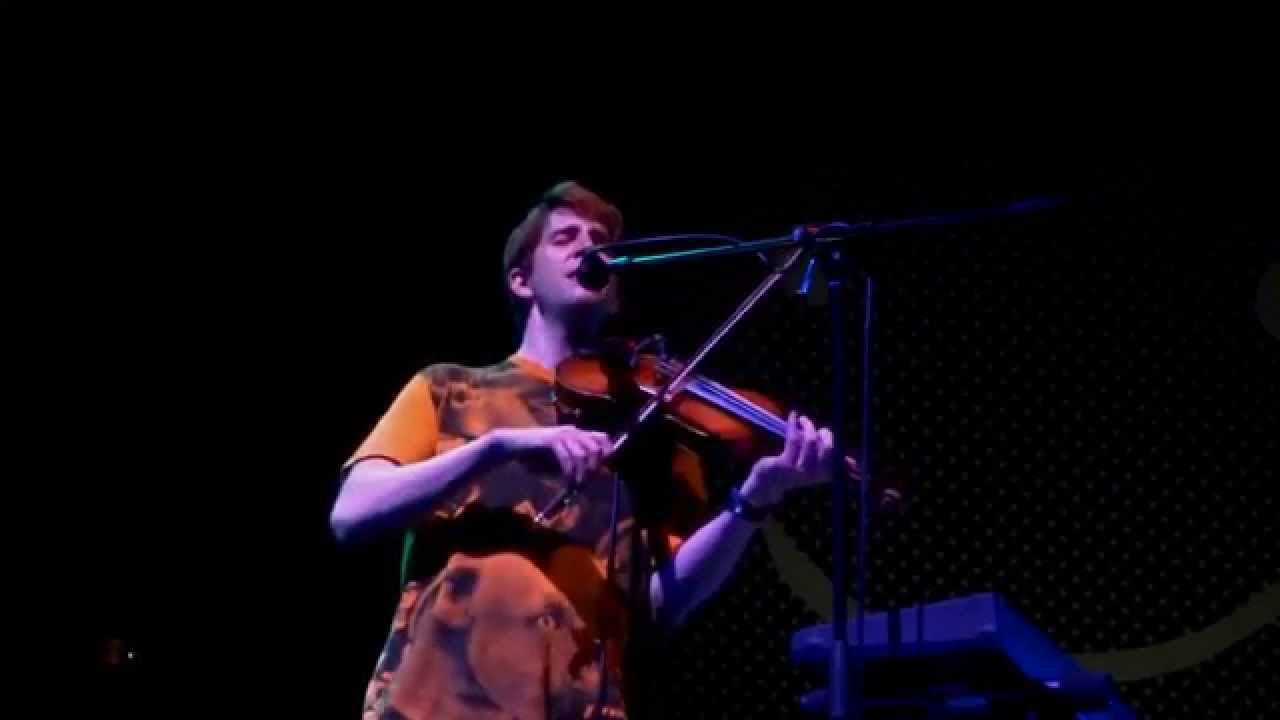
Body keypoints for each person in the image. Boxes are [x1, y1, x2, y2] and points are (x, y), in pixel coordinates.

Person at [331, 181, 839, 719]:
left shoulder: (652, 423)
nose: (589, 248)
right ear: (521, 281)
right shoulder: (451, 389)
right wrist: (496, 448)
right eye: (566, 238)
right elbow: (352, 512)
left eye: (600, 240)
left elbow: (660, 603)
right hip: (434, 701)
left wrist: (755, 500)